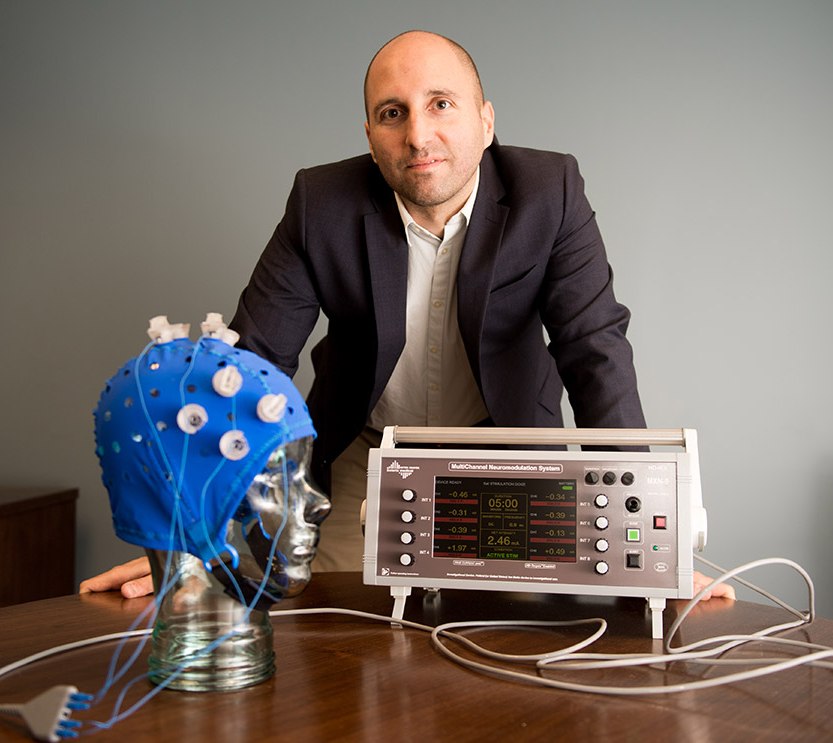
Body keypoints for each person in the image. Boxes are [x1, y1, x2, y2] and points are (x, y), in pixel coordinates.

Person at [82, 30, 735, 600]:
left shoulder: (550, 193)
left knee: (513, 649)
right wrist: (187, 535)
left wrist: (651, 551)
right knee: (331, 643)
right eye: (392, 113)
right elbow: (251, 369)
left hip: (505, 452)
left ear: (485, 121)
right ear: (371, 136)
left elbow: (594, 351)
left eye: (440, 105)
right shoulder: (321, 202)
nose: (417, 135)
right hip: (365, 454)